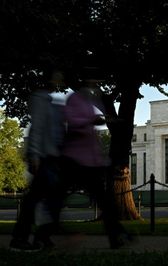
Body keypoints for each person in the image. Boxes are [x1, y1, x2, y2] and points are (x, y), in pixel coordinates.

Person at [60, 68, 132, 249]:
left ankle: (116, 237)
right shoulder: (75, 99)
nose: (96, 85)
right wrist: (94, 121)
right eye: (93, 82)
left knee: (105, 203)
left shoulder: (88, 100)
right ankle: (45, 234)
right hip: (75, 159)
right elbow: (74, 122)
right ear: (86, 82)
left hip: (90, 162)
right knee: (57, 198)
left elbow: (91, 131)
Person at [10, 70, 65, 251]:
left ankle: (40, 237)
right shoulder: (41, 100)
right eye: (56, 76)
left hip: (51, 157)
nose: (59, 80)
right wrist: (34, 154)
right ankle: (26, 238)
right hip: (43, 158)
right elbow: (37, 128)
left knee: (46, 199)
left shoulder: (50, 101)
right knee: (37, 200)